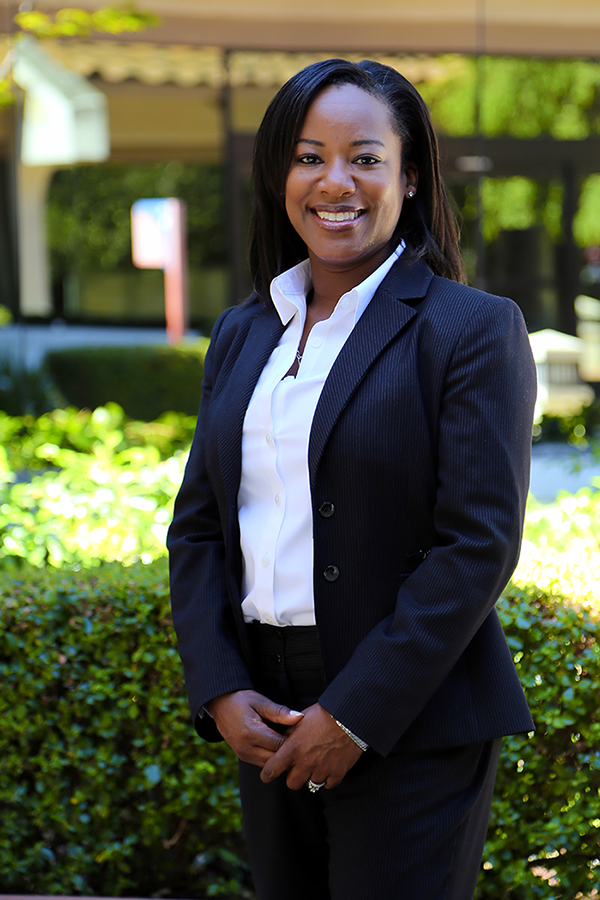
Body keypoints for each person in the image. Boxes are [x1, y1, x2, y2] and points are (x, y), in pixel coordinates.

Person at [168, 58, 537, 900]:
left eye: (365, 158)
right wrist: (222, 686)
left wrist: (355, 713)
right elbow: (197, 528)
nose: (335, 180)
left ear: (408, 178)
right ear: (280, 175)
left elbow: (476, 544)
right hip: (264, 709)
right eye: (309, 156)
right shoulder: (242, 332)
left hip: (413, 715)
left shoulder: (469, 329)